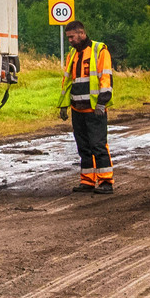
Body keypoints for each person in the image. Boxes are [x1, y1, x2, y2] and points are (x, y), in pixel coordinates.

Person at [58, 20, 115, 194]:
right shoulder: (72, 55)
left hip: (94, 109)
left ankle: (106, 182)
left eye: (72, 37)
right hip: (77, 109)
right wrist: (64, 106)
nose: (70, 40)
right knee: (83, 147)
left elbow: (106, 78)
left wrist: (102, 102)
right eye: (67, 38)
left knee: (98, 145)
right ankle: (87, 181)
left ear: (81, 34)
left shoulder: (99, 51)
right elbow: (68, 82)